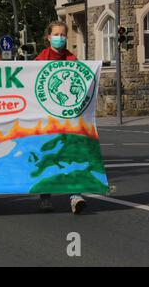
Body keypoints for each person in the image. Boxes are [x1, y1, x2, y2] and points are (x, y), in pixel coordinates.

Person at [35, 20, 86, 215]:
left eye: (63, 34)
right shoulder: (40, 60)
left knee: (71, 155)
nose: (60, 38)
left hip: (67, 118)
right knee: (48, 155)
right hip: (46, 118)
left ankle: (75, 196)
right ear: (48, 37)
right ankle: (45, 197)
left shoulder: (72, 59)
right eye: (56, 34)